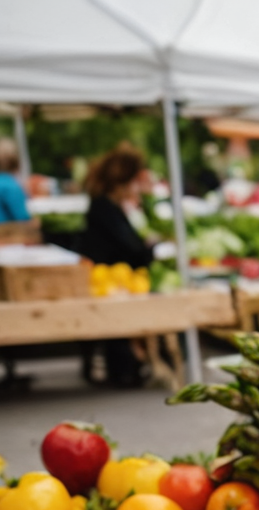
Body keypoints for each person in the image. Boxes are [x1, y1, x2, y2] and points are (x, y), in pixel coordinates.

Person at [80, 145, 156, 386]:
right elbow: (128, 246)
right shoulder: (104, 208)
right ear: (123, 181)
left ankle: (126, 367)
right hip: (108, 279)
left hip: (115, 277)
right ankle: (120, 370)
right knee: (114, 332)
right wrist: (148, 249)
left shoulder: (108, 206)